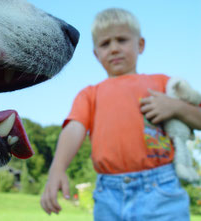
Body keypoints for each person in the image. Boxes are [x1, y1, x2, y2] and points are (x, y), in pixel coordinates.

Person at [40, 8, 201, 221]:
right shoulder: (90, 94)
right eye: (105, 44)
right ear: (96, 54)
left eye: (122, 40)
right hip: (109, 195)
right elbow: (74, 128)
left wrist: (175, 107)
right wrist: (57, 169)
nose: (114, 48)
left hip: (161, 190)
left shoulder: (162, 84)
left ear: (140, 45)